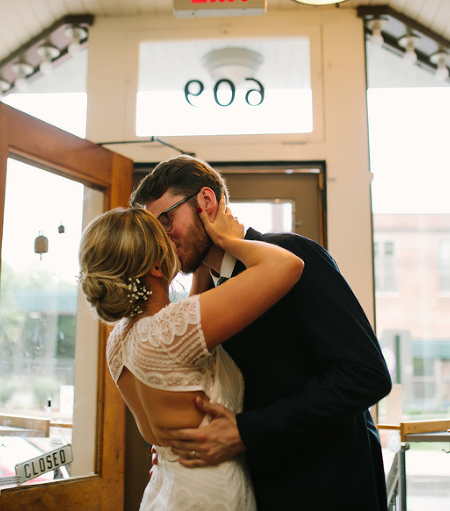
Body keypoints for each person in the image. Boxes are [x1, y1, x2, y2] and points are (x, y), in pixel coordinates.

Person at [130, 155, 393, 510]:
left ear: (206, 203)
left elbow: (366, 376)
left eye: (165, 220)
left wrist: (245, 431)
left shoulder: (291, 254)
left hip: (327, 488)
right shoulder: (206, 295)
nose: (159, 239)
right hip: (259, 490)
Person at [79, 200, 304, 510]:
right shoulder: (170, 330)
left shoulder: (119, 340)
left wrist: (200, 256)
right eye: (166, 239)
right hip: (211, 496)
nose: (174, 240)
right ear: (156, 267)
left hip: (167, 489)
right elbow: (287, 265)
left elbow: (188, 323)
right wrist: (228, 240)